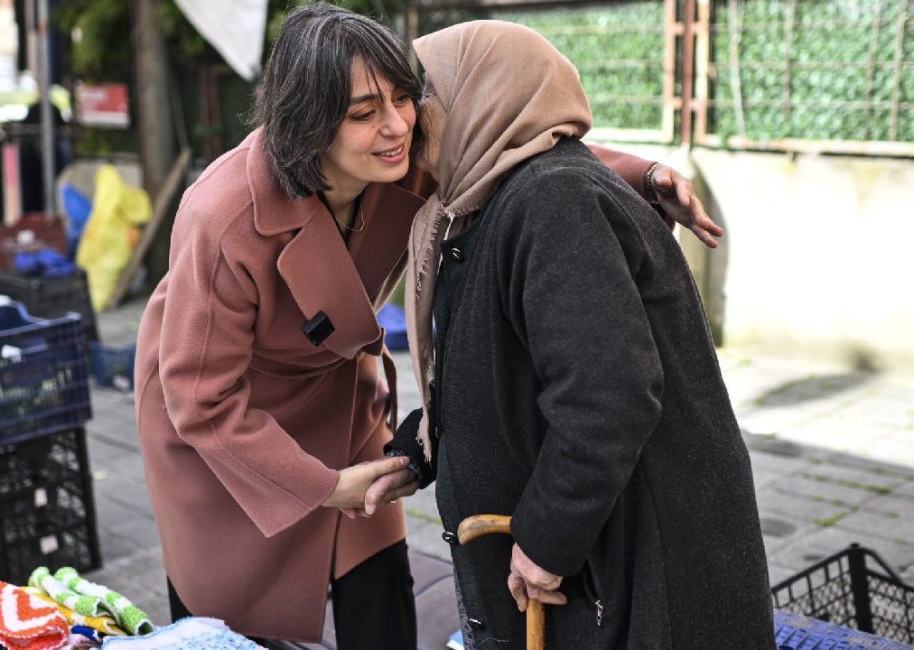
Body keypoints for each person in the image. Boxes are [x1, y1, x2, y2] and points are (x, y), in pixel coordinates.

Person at [134, 4, 719, 647]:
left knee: (379, 591)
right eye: (363, 113)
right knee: (226, 623)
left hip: (343, 395)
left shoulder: (405, 157)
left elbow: (514, 145)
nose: (396, 126)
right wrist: (320, 486)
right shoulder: (221, 214)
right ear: (305, 126)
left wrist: (644, 173)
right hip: (224, 416)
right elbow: (198, 395)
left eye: (404, 98)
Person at [376, 20, 774, 649]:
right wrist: (423, 447)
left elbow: (607, 396)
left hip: (632, 575)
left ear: (487, 99)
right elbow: (505, 372)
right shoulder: (498, 200)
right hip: (603, 571)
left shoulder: (553, 201)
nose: (413, 116)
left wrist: (547, 538)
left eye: (428, 93)